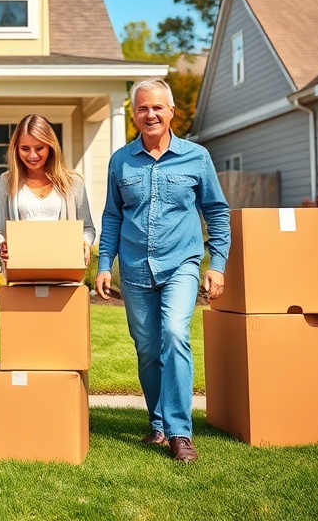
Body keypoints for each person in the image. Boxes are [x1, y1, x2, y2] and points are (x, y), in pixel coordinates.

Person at [95, 79, 230, 463]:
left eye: (157, 107)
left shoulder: (196, 157)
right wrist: (105, 265)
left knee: (174, 334)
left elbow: (217, 213)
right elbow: (112, 217)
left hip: (181, 263)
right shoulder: (121, 160)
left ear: (172, 112)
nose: (150, 114)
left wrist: (216, 266)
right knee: (148, 349)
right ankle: (157, 423)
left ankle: (179, 433)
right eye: (142, 108)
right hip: (135, 266)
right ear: (133, 113)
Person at [0, 113, 96, 268]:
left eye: (39, 148)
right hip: (22, 273)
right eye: (25, 148)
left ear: (51, 146)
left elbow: (88, 229)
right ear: (16, 149)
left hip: (63, 270)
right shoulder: (6, 182)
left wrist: (85, 243)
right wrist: (1, 247)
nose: (33, 155)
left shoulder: (73, 182)